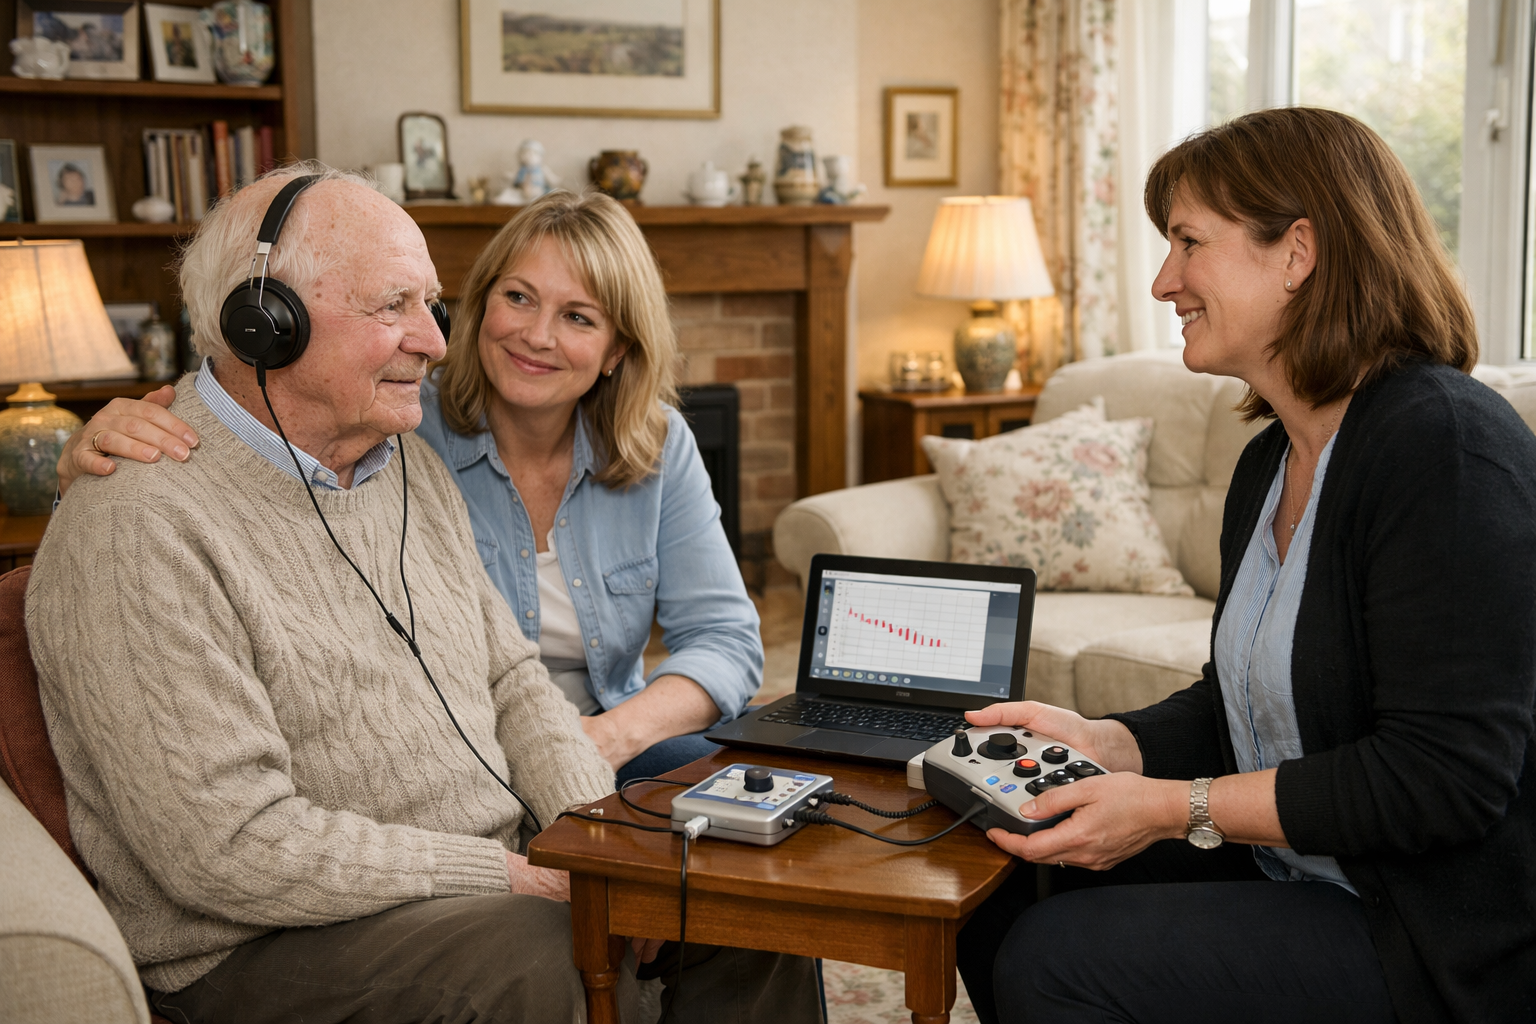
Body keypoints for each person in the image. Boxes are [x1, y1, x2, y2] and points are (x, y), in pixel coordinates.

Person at [28, 164, 821, 1023]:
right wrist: (513, 876)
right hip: (256, 939)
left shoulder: (397, 460)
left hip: (472, 870)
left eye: (431, 305)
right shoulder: (140, 522)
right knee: (549, 955)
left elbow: (515, 680)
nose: (436, 343)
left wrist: (594, 847)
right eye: (392, 307)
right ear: (265, 321)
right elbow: (224, 847)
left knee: (746, 904)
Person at [953, 107, 1536, 1023]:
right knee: (1000, 886)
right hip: (1296, 869)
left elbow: (1443, 779)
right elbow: (1248, 707)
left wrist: (1175, 807)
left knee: (1058, 961)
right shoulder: (1272, 459)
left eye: (1189, 243)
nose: (1162, 281)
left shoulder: (1444, 447)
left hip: (1422, 934)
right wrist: (1112, 743)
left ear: (1297, 252)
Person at [57, 188, 762, 786]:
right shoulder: (395, 427)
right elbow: (255, 465)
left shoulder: (656, 444)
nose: (537, 336)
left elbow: (726, 640)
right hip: (464, 751)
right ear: (479, 307)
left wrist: (604, 739)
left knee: (755, 830)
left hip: (607, 738)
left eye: (577, 317)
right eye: (517, 298)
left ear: (616, 352)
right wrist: (89, 461)